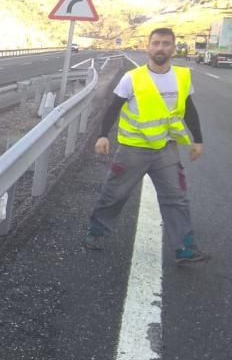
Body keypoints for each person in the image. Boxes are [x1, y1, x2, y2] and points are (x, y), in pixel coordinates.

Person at [83, 27, 206, 263]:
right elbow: (113, 107)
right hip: (133, 149)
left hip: (165, 148)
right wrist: (102, 135)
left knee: (176, 198)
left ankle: (185, 248)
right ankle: (96, 232)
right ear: (148, 47)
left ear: (173, 47)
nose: (161, 48)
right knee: (115, 194)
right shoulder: (133, 77)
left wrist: (198, 140)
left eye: (167, 43)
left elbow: (189, 109)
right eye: (157, 43)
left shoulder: (182, 76)